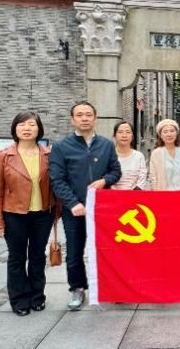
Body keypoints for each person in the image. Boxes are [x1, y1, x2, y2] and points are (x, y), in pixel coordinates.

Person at [49, 101, 121, 311]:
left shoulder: (106, 145)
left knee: (107, 250)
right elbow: (57, 179)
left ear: (95, 118)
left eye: (88, 114)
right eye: (79, 115)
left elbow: (116, 171)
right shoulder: (62, 147)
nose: (84, 118)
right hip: (75, 210)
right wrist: (73, 203)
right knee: (74, 252)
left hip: (102, 208)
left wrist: (104, 181)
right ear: (73, 119)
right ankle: (77, 288)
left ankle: (109, 287)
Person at [0, 111, 56, 316]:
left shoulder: (49, 155)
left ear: (39, 129)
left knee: (37, 256)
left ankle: (37, 296)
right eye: (21, 124)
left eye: (31, 124)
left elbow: (57, 185)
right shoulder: (4, 156)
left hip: (42, 214)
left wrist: (58, 213)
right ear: (14, 129)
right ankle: (19, 299)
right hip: (14, 214)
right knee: (17, 258)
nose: (27, 128)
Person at [148, 119, 180, 190]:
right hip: (164, 193)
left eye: (172, 131)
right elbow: (153, 177)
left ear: (176, 133)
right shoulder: (156, 153)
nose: (169, 134)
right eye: (165, 132)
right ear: (160, 135)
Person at [112, 120, 147, 190]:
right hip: (112, 194)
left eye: (128, 132)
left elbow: (142, 178)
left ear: (132, 136)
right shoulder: (109, 155)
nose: (124, 135)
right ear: (114, 135)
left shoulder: (139, 156)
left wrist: (132, 194)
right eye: (120, 132)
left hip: (135, 195)